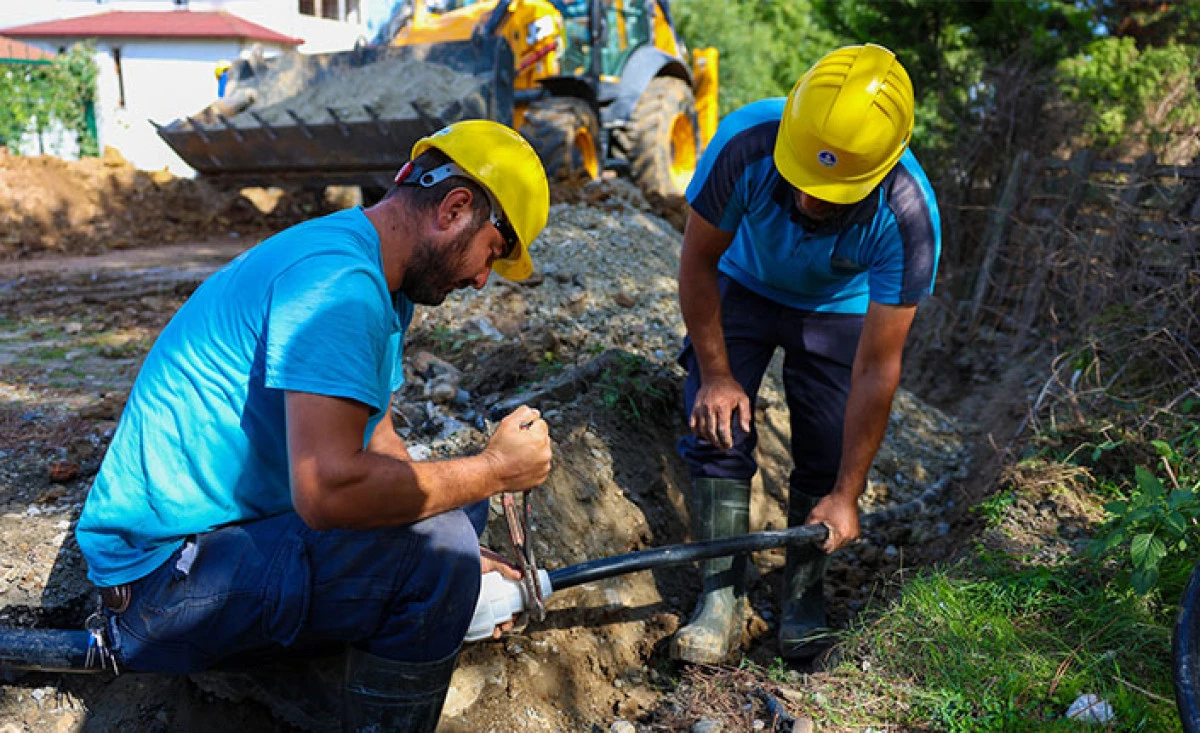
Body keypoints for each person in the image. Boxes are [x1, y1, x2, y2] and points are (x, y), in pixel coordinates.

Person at [74, 120, 553, 731]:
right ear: (455, 209)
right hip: (162, 585)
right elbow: (327, 492)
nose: (483, 278)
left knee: (455, 522)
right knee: (437, 555)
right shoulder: (340, 288)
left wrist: (464, 532)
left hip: (217, 540)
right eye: (494, 251)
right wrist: (493, 472)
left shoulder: (374, 274)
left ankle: (354, 652)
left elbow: (378, 440)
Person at [672, 43, 941, 664]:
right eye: (802, 179)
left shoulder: (908, 217)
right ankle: (720, 600)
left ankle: (804, 597)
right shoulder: (744, 143)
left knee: (825, 446)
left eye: (834, 192)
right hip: (741, 281)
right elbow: (697, 261)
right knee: (717, 430)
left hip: (837, 308)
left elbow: (877, 369)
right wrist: (716, 374)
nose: (811, 201)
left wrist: (848, 493)